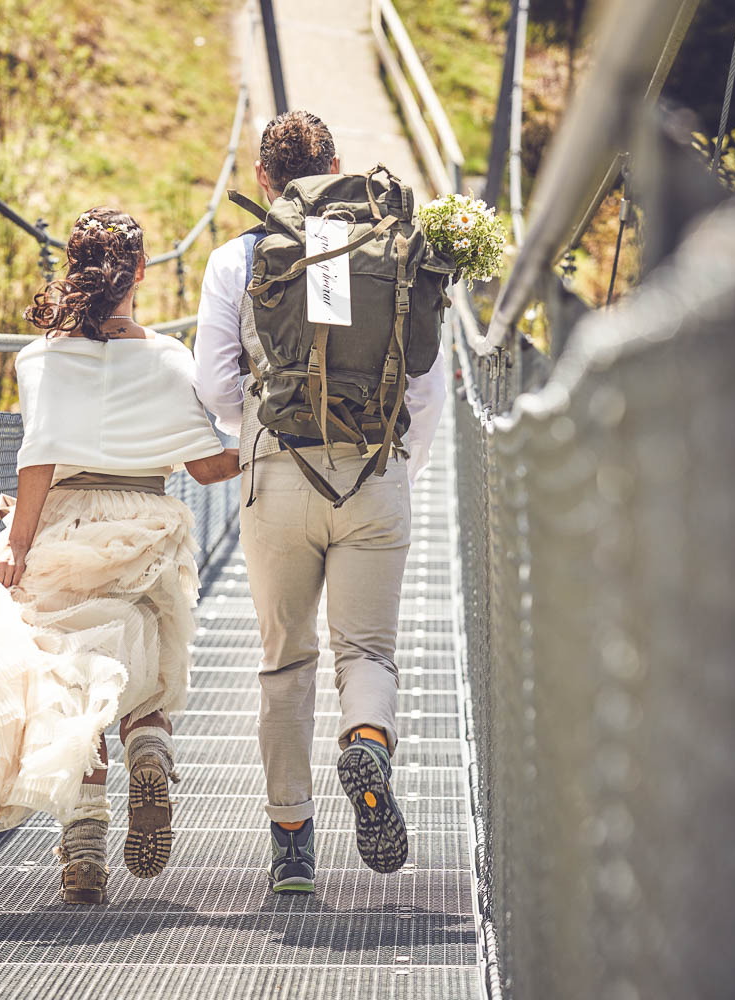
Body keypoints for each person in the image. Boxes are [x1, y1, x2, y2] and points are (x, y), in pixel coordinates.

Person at [0, 207, 239, 915]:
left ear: (73, 269)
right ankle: (151, 751)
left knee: (74, 682)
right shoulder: (169, 360)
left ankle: (83, 848)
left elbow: (39, 454)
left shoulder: (39, 357)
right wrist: (268, 431)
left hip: (64, 527)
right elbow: (206, 469)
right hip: (146, 524)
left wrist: (18, 545)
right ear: (141, 272)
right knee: (152, 667)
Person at [193, 111, 447, 893]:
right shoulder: (394, 253)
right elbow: (429, 386)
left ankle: (292, 846)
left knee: (284, 661)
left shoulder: (239, 257)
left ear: (265, 180)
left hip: (279, 475)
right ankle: (366, 737)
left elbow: (212, 383)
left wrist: (262, 433)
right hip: (373, 472)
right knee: (366, 653)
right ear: (336, 164)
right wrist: (397, 468)